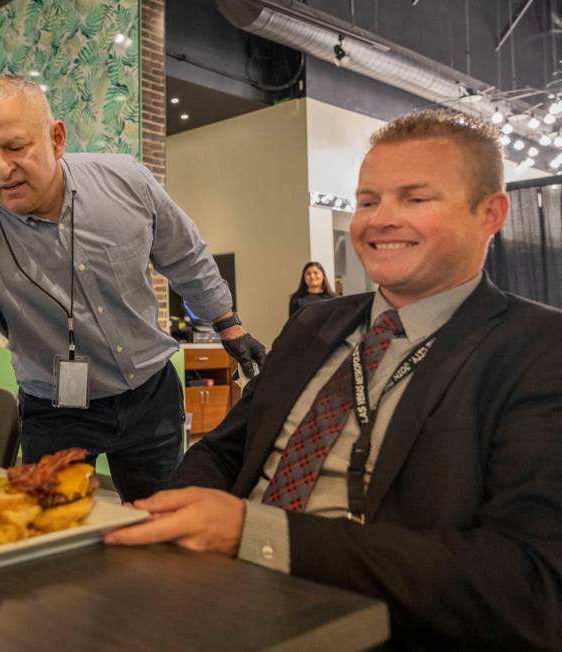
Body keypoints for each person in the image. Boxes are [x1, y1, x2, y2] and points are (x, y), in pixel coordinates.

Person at [105, 109, 562, 648]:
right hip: (212, 590)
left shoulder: (537, 349)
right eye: (368, 201)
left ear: (491, 214)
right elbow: (226, 450)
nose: (379, 219)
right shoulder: (312, 325)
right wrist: (176, 515)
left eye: (415, 199)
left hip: (371, 621)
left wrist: (257, 534)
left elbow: (527, 584)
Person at [0, 74, 266, 502]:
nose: (1, 170)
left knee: (160, 523)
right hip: (55, 411)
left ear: (57, 138)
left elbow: (185, 255)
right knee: (52, 534)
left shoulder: (127, 184)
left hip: (150, 396)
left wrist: (227, 325)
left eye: (14, 147)